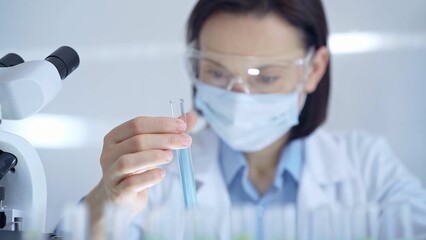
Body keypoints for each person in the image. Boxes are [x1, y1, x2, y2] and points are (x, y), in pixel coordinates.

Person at [80, 0, 426, 239]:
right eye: (216, 72)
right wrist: (105, 204)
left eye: (265, 77)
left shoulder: (368, 169)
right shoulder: (158, 176)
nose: (239, 97)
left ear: (314, 69)